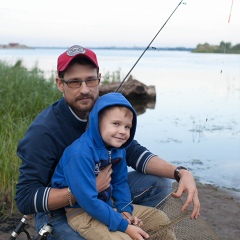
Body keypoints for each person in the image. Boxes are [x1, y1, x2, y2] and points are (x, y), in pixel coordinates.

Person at [15, 45, 200, 239]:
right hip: (61, 210)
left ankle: (125, 223)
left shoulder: (104, 110)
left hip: (103, 196)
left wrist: (180, 172)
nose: (85, 89)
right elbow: (25, 199)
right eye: (75, 82)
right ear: (60, 84)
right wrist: (88, 189)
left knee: (160, 183)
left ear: (99, 79)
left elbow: (132, 152)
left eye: (90, 80)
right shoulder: (44, 131)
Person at [51, 92, 176, 240]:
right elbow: (88, 200)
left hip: (108, 205)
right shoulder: (80, 154)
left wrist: (125, 211)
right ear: (97, 122)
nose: (122, 131)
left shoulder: (118, 150)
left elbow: (120, 183)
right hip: (81, 213)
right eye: (116, 124)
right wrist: (124, 226)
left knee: (158, 218)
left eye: (128, 127)